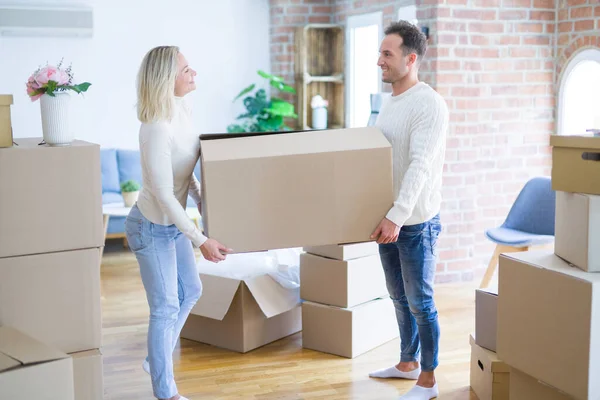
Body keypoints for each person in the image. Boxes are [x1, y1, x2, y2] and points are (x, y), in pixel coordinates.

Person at [125, 45, 232, 400]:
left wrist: (207, 205)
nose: (193, 73)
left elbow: (186, 178)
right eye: (186, 69)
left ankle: (156, 358)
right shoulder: (155, 127)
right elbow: (163, 193)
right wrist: (200, 238)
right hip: (151, 226)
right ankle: (165, 391)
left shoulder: (183, 111)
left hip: (172, 225)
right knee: (166, 306)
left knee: (193, 291)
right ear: (166, 78)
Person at [368, 21, 449, 400]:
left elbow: (419, 166)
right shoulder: (391, 102)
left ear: (411, 59)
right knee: (398, 297)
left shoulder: (429, 103)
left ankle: (429, 381)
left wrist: (396, 215)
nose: (379, 60)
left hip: (413, 222)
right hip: (390, 218)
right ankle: (407, 364)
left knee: (420, 302)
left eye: (387, 54)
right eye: (380, 53)